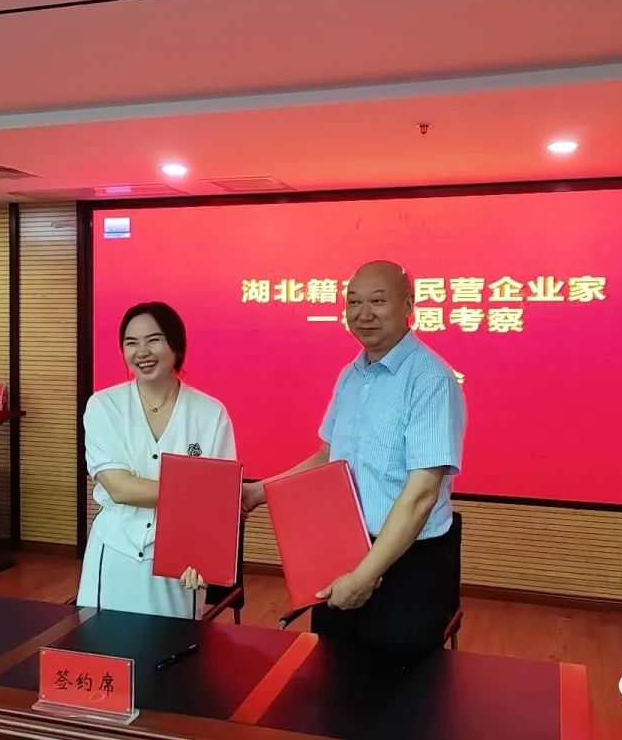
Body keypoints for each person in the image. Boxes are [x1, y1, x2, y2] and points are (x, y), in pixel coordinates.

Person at [243, 260, 466, 660]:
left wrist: (367, 574)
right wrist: (259, 492)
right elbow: (330, 456)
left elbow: (422, 494)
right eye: (353, 302)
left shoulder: (430, 380)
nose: (364, 314)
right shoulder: (351, 375)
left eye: (377, 301)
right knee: (331, 670)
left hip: (406, 561)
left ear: (408, 305)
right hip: (340, 548)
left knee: (399, 685)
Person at [77, 301, 236, 617]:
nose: (142, 352)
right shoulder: (104, 405)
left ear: (176, 346)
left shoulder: (210, 413)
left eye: (154, 340)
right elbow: (120, 488)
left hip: (182, 559)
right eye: (131, 343)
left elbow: (222, 500)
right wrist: (201, 493)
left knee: (175, 645)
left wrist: (206, 555)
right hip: (116, 550)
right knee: (104, 641)